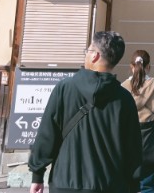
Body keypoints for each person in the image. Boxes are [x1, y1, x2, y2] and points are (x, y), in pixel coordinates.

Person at [28, 31, 143, 193]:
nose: (86, 55)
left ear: (95, 56)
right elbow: (133, 148)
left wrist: (37, 175)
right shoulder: (124, 99)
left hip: (65, 181)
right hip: (110, 183)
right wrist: (133, 185)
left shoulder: (64, 88)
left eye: (88, 51)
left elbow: (47, 134)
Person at [122, 49, 154, 193]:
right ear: (148, 67)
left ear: (131, 66)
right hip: (148, 136)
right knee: (147, 182)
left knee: (127, 181)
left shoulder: (123, 87)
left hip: (127, 135)